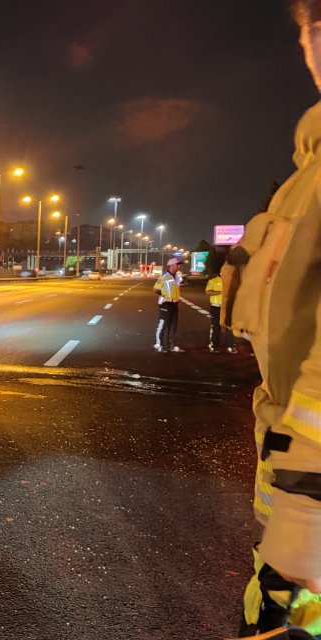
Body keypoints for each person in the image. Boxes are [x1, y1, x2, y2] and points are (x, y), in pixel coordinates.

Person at [233, 2, 321, 635]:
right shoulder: (306, 173)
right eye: (310, 27)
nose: (313, 42)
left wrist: (301, 521)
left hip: (310, 492)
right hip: (295, 476)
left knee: (288, 618)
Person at [153, 257, 182, 353]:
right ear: (172, 265)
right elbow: (155, 289)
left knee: (173, 326)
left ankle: (172, 346)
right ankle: (158, 345)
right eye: (178, 264)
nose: (179, 266)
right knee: (162, 325)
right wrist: (164, 295)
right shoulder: (164, 276)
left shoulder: (177, 276)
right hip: (165, 304)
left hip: (174, 304)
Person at [206, 266, 235, 354]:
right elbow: (208, 292)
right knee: (216, 327)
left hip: (226, 307)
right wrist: (220, 292)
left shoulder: (230, 281)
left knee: (229, 327)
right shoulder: (213, 281)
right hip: (216, 307)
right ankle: (213, 346)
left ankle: (230, 346)